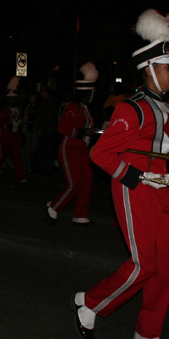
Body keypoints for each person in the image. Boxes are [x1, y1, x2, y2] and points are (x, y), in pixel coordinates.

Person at [73, 9, 169, 339]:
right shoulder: (131, 108)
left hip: (161, 188)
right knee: (143, 264)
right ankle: (90, 305)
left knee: (163, 268)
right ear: (151, 70)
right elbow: (100, 155)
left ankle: (148, 331)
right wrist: (137, 176)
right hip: (133, 188)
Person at [47, 62, 98, 227]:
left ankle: (79, 215)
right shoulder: (73, 107)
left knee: (87, 183)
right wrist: (84, 132)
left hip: (83, 150)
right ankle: (55, 207)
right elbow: (62, 127)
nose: (94, 94)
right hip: (69, 149)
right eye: (92, 92)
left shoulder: (85, 108)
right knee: (74, 183)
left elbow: (86, 129)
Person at [0, 76, 26, 183]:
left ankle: (20, 177)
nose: (13, 100)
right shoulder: (3, 109)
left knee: (17, 156)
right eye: (11, 98)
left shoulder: (18, 108)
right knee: (2, 154)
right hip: (5, 134)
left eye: (14, 98)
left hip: (15, 134)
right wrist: (8, 125)